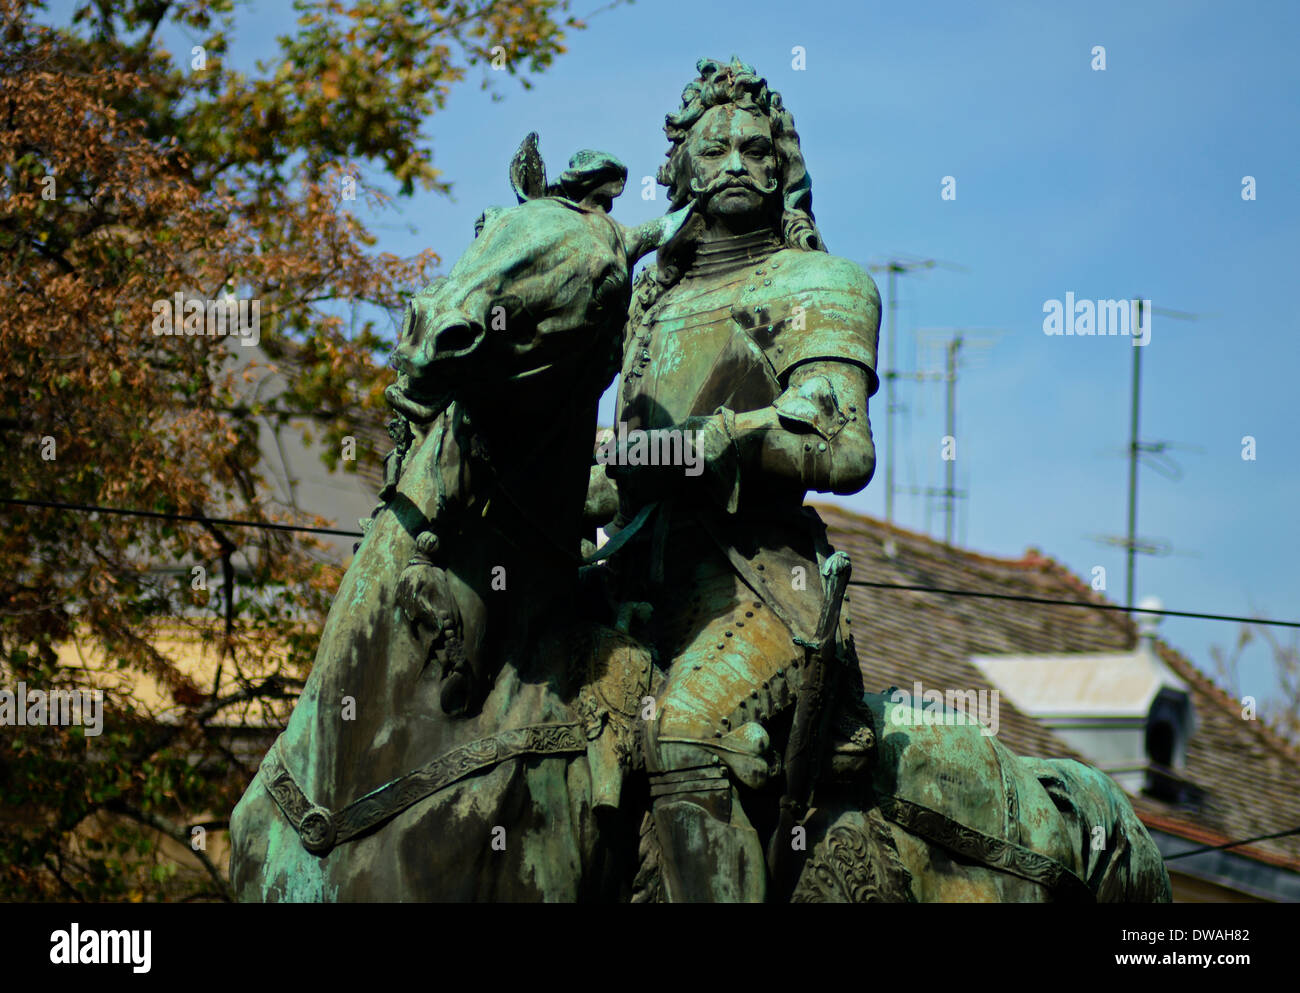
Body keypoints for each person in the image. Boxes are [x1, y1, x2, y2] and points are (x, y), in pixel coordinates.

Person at [588, 57, 883, 902]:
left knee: (683, 735)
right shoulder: (645, 300)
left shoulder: (821, 285)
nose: (738, 164)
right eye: (713, 149)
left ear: (785, 165)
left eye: (759, 149)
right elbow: (628, 473)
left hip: (762, 585)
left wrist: (728, 437)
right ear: (678, 168)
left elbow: (843, 447)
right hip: (631, 585)